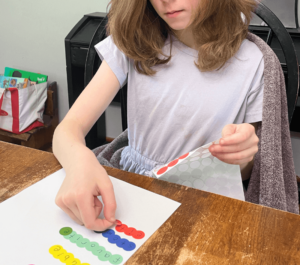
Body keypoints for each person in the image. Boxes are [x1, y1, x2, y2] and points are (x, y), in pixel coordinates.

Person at [53, 0, 262, 231]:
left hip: (203, 201)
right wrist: (79, 163)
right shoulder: (133, 41)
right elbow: (68, 129)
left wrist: (242, 156)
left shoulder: (253, 62)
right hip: (131, 189)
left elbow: (247, 171)